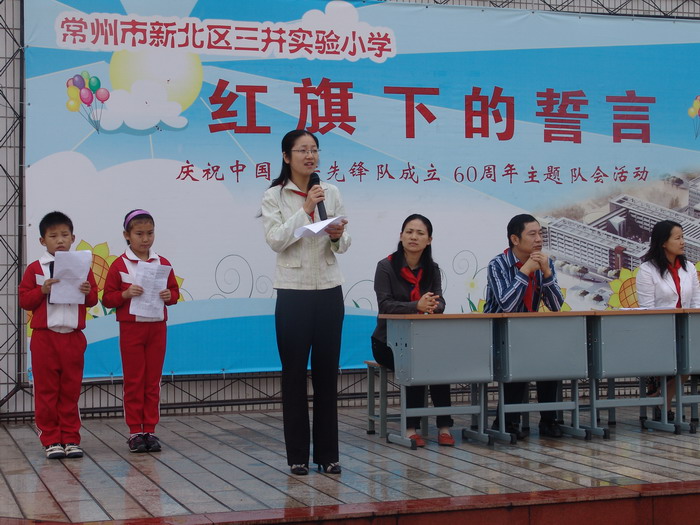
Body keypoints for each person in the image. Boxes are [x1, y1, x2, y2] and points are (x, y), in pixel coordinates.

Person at [261, 130, 350, 476]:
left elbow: (345, 242)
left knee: (328, 374)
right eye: (302, 150)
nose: (310, 156)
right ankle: (297, 455)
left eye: (314, 150)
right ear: (286, 157)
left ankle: (329, 455)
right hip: (293, 292)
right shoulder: (274, 196)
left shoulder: (332, 192)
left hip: (328, 290)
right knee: (294, 375)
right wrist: (306, 209)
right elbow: (276, 240)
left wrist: (338, 236)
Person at [19, 211, 98, 459]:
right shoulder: (35, 268)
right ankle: (51, 439)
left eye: (65, 235)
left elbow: (93, 300)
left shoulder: (82, 266)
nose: (60, 240)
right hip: (45, 337)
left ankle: (71, 438)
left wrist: (87, 290)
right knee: (46, 391)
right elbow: (24, 301)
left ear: (73, 238)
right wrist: (41, 290)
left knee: (70, 391)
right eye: (53, 236)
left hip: (73, 336)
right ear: (42, 241)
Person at [371, 214, 455, 447]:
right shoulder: (386, 267)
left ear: (429, 240)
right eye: (409, 232)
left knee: (438, 364)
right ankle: (410, 428)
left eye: (420, 233)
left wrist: (433, 305)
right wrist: (416, 305)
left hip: (422, 338)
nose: (413, 237)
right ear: (401, 236)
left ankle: (444, 427)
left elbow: (440, 301)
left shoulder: (432, 269)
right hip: (386, 341)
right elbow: (384, 305)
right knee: (416, 360)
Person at [102, 210, 180, 453]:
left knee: (152, 381)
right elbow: (107, 299)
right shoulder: (119, 265)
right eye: (139, 234)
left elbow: (174, 293)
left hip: (157, 327)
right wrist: (125, 294)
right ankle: (135, 431)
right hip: (131, 328)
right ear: (127, 235)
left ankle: (150, 431)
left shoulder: (162, 263)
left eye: (150, 233)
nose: (145, 239)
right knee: (134, 380)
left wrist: (169, 296)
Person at [484, 214, 565, 439]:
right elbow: (507, 305)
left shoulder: (545, 263)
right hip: (498, 333)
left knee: (550, 359)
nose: (539, 239)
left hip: (527, 332)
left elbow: (556, 306)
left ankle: (549, 420)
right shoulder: (497, 265)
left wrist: (547, 273)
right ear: (515, 239)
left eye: (540, 234)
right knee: (516, 355)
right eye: (532, 234)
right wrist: (525, 270)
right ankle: (507, 423)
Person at [636, 219, 700, 421]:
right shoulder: (647, 270)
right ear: (663, 242)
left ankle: (662, 400)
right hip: (659, 332)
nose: (683, 242)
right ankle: (663, 402)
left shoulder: (689, 268)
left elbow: (696, 302)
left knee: (690, 358)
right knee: (680, 357)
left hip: (686, 331)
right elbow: (647, 308)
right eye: (678, 238)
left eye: (683, 237)